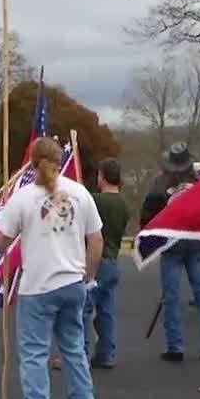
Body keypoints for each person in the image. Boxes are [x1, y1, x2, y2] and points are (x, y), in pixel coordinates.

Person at [0, 137, 103, 399]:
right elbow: (96, 240)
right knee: (74, 350)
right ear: (60, 160)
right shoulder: (81, 193)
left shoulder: (22, 198)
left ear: (32, 162)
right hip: (72, 283)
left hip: (38, 287)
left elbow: (1, 242)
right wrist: (88, 276)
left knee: (34, 354)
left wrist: (7, 224)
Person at [142, 142, 200, 364]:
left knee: (171, 297)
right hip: (196, 243)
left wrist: (149, 237)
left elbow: (147, 214)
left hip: (171, 244)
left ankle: (175, 347)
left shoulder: (159, 184)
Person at [80, 158, 127, 369]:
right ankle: (106, 353)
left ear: (103, 176)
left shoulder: (94, 201)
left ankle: (80, 353)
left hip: (95, 259)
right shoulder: (123, 204)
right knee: (106, 310)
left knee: (84, 309)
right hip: (112, 259)